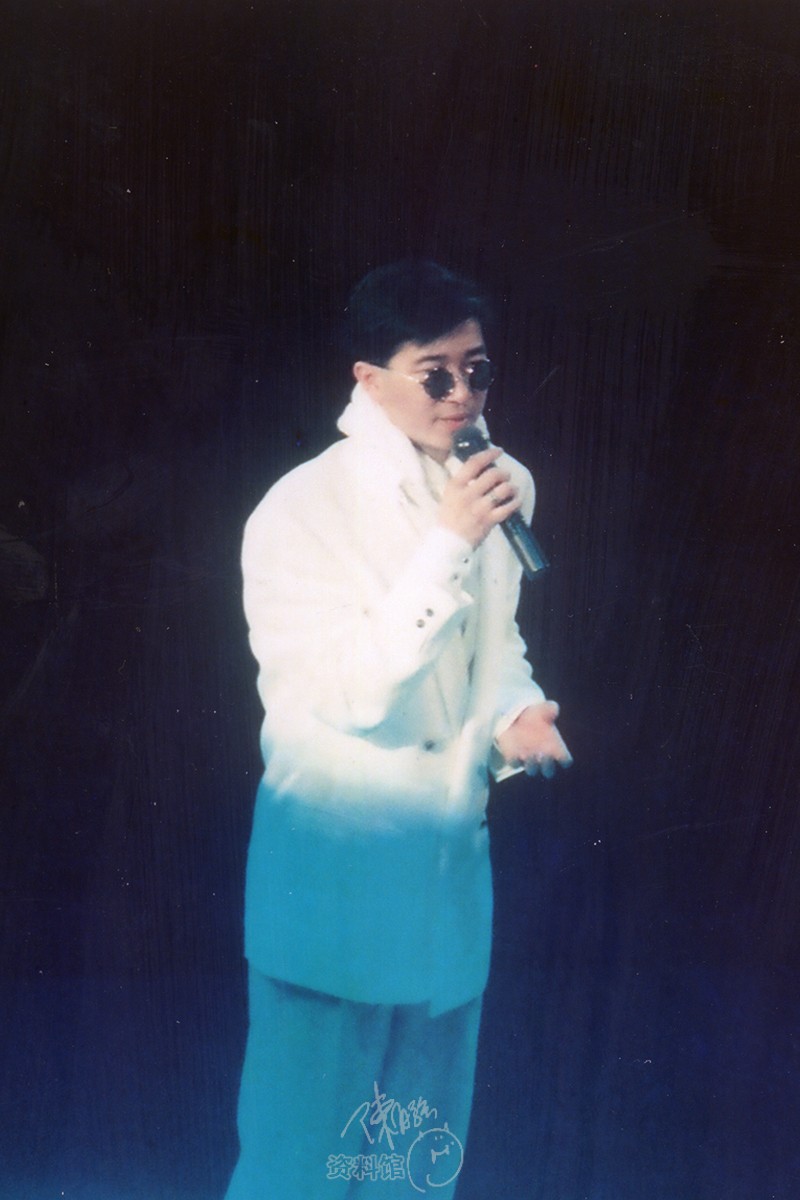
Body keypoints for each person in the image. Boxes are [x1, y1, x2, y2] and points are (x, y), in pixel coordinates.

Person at [224, 261, 572, 1200]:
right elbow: (350, 694)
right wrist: (449, 542)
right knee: (299, 1166)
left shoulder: (502, 483)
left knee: (415, 1168)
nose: (463, 395)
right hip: (334, 882)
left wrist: (516, 712)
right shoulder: (300, 510)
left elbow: (494, 645)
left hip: (445, 881)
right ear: (369, 379)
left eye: (478, 369)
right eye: (435, 374)